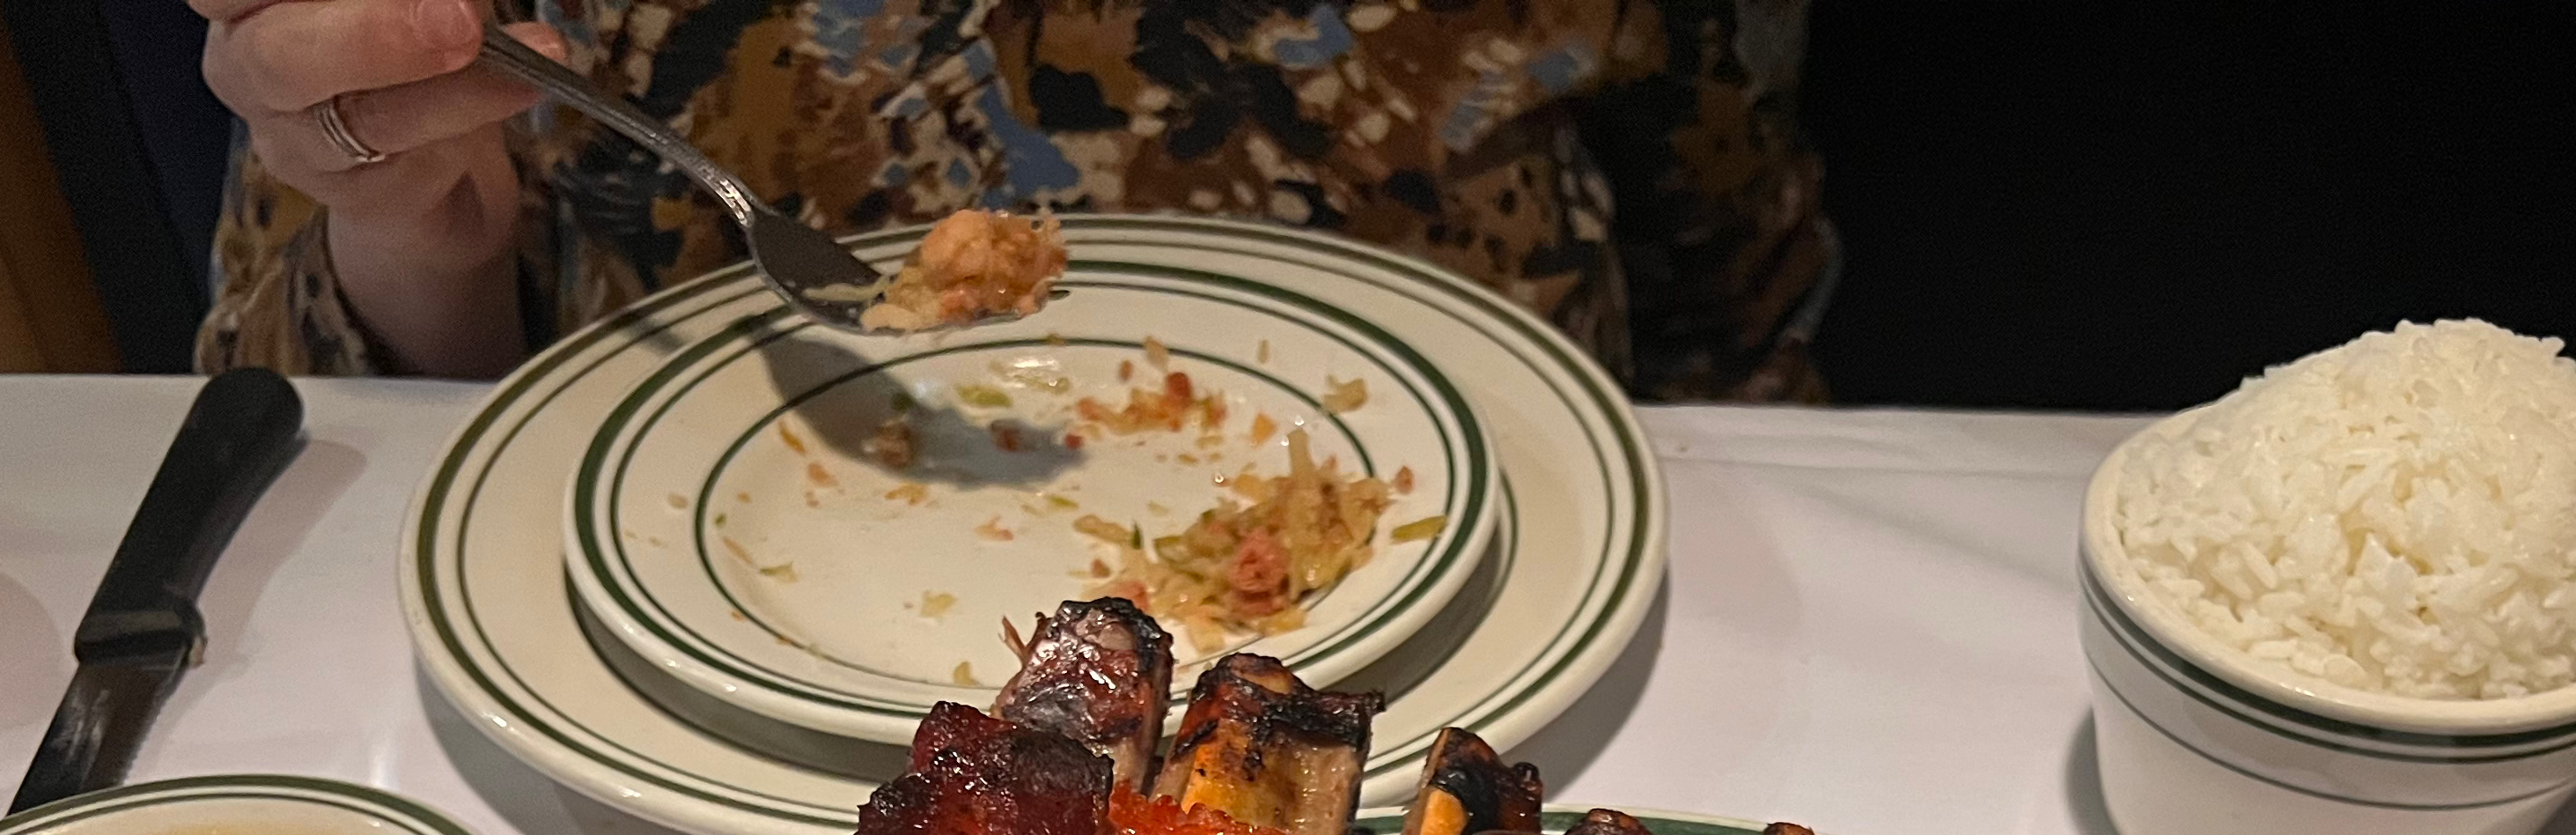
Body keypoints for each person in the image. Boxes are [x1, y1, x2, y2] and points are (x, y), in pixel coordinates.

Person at [190, 0, 1835, 399]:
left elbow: (1739, 322)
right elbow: (299, 403)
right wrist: (414, 235)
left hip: (1501, 696)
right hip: (665, 749)